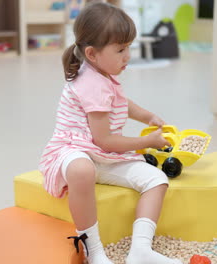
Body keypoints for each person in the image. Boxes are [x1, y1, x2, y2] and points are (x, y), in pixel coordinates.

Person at [38, 2, 182, 264]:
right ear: (92, 54)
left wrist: (147, 115)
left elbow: (120, 102)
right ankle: (93, 252)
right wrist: (147, 142)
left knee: (157, 180)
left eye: (128, 47)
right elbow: (104, 139)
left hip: (101, 154)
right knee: (82, 170)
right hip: (74, 149)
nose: (127, 56)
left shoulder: (103, 72)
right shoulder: (91, 82)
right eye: (120, 50)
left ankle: (140, 250)